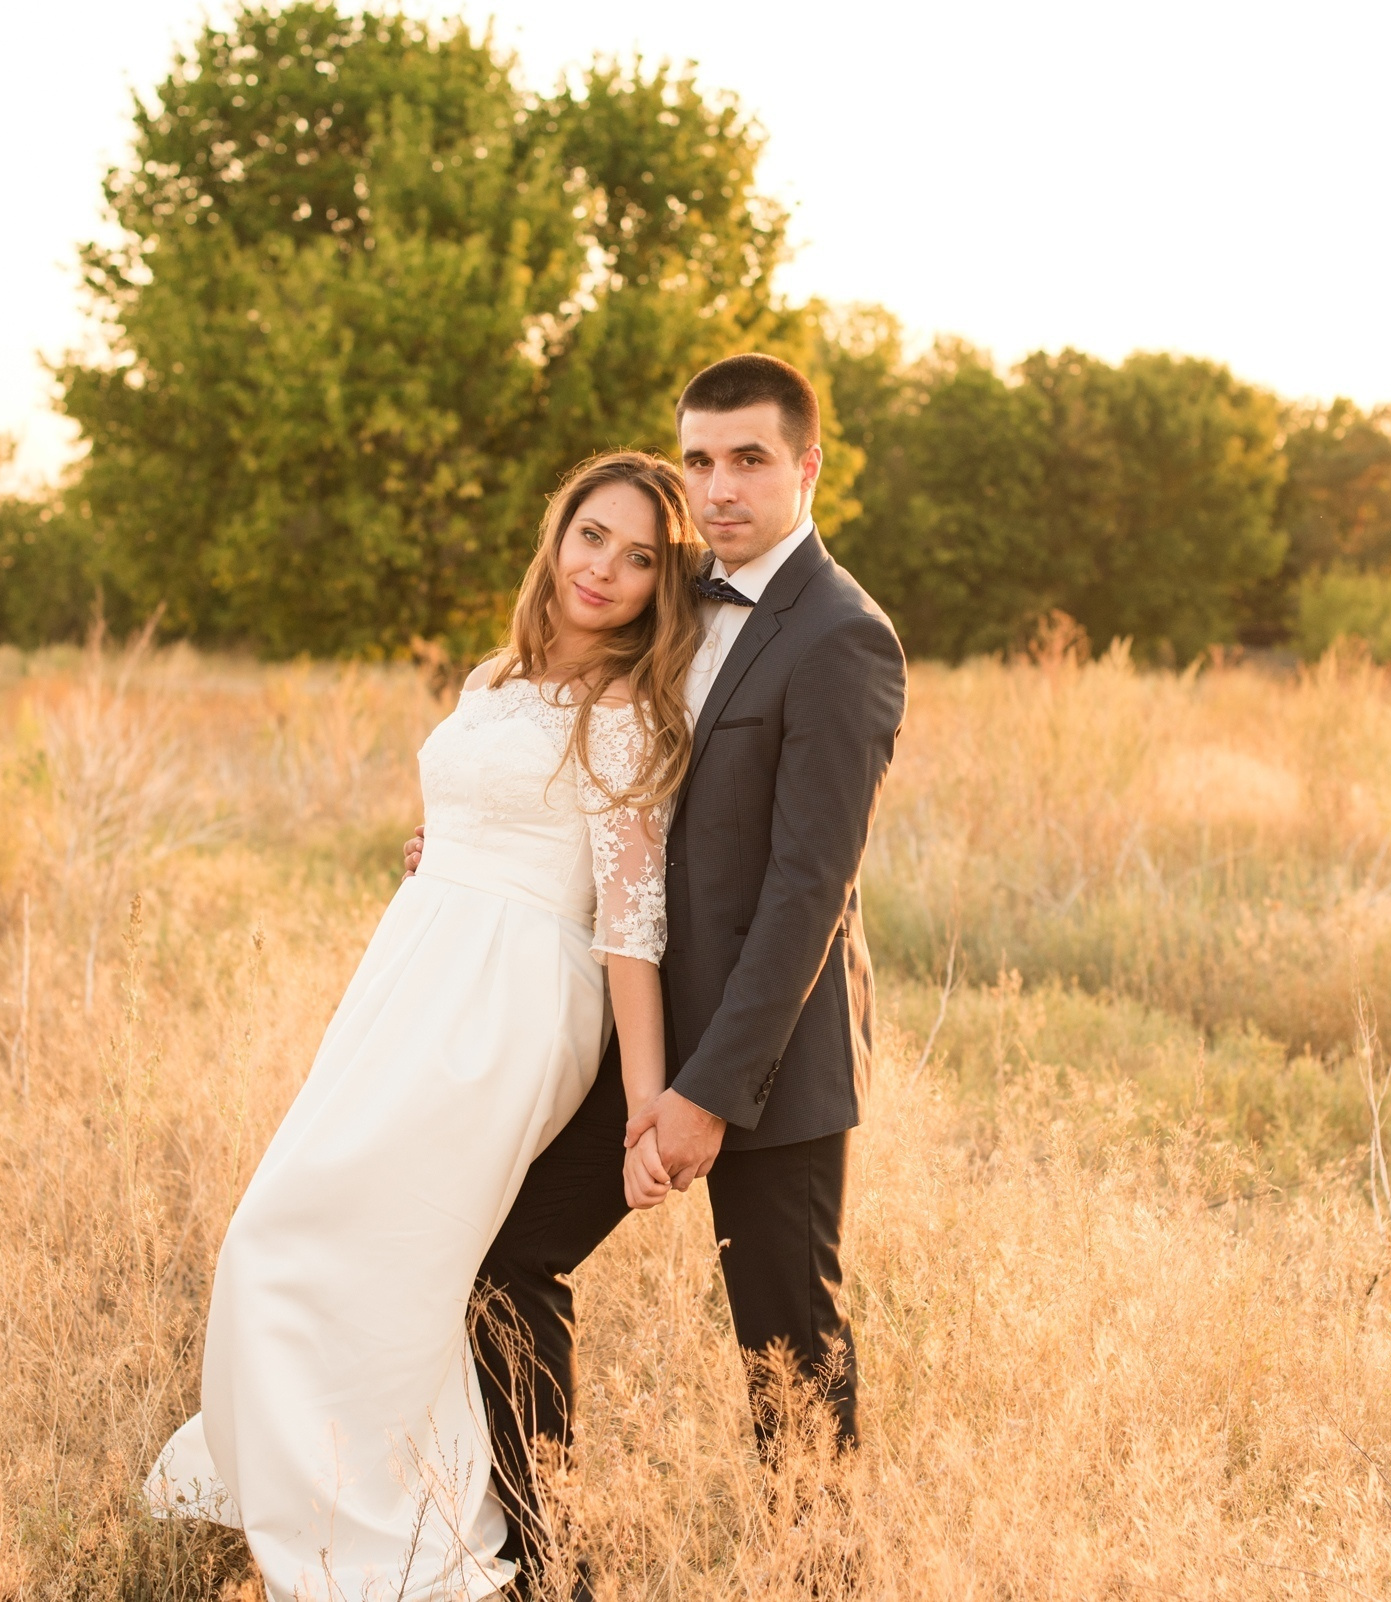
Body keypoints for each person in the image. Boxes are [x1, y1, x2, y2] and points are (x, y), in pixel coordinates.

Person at [145, 451, 707, 1602]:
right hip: (411, 973)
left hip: (504, 1007)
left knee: (378, 1249)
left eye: (641, 558)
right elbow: (469, 810)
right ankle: (339, 1482)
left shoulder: (628, 717)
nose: (605, 569)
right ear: (556, 536)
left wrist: (647, 1101)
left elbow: (631, 927)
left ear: (663, 587)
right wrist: (442, 856)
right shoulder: (493, 678)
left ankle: (412, 1536)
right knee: (291, 1230)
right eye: (591, 536)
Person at [423, 354, 908, 1593]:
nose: (719, 485)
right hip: (625, 1026)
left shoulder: (843, 640)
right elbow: (581, 755)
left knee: (787, 1357)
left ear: (808, 465)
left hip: (766, 1055)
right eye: (700, 459)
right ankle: (556, 1564)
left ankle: (823, 1578)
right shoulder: (666, 589)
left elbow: (810, 896)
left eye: (749, 459)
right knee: (502, 1261)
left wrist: (703, 1095)